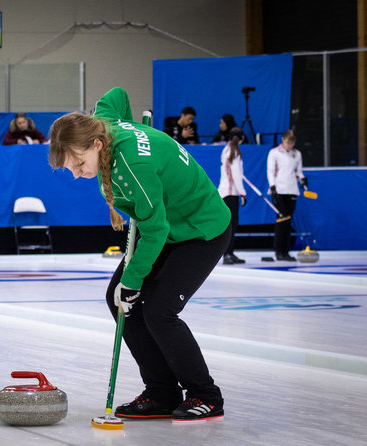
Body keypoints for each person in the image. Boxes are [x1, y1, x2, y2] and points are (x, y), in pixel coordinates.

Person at [49, 87, 231, 423]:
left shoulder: (132, 166)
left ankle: (206, 395)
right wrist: (130, 121)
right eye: (69, 168)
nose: (77, 173)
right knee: (118, 300)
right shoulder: (102, 122)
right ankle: (162, 391)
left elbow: (156, 229)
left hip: (199, 229)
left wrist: (133, 281)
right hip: (168, 226)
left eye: (78, 163)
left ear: (97, 145)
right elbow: (116, 94)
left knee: (159, 310)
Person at [267, 129, 306, 261]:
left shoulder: (296, 154)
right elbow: (270, 171)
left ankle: (286, 251)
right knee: (281, 221)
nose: (290, 145)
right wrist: (273, 187)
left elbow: (298, 171)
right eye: (288, 142)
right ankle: (278, 251)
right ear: (283, 140)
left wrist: (302, 179)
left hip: (292, 190)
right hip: (279, 191)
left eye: (292, 143)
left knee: (288, 221)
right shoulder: (274, 153)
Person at [217, 127, 248, 264]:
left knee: (232, 225)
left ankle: (230, 253)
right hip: (230, 193)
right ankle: (227, 254)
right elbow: (236, 175)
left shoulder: (227, 149)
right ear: (241, 138)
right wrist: (243, 192)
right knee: (231, 225)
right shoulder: (234, 151)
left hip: (226, 193)